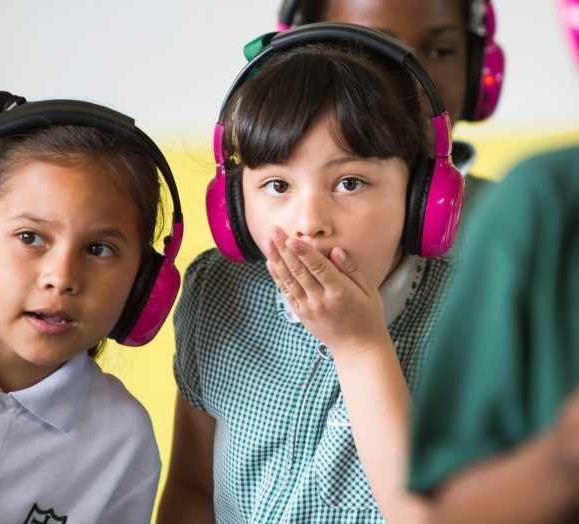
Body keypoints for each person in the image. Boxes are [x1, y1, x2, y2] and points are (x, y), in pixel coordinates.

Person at [158, 23, 464, 523]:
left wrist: (360, 345)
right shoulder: (216, 291)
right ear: (234, 203)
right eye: (277, 185)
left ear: (419, 197)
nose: (309, 223)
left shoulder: (473, 317)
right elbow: (193, 487)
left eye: (349, 182)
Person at [0, 91, 183, 523]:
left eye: (98, 249)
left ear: (144, 285)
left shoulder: (122, 443)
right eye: (30, 237)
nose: (61, 277)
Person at [408, 1, 579, 522]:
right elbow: (447, 505)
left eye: (437, 51)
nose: (401, 75)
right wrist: (565, 459)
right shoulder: (544, 206)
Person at [278, 0, 505, 236]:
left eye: (441, 51)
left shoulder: (522, 225)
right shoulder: (253, 239)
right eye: (374, 50)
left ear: (477, 67)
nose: (415, 81)